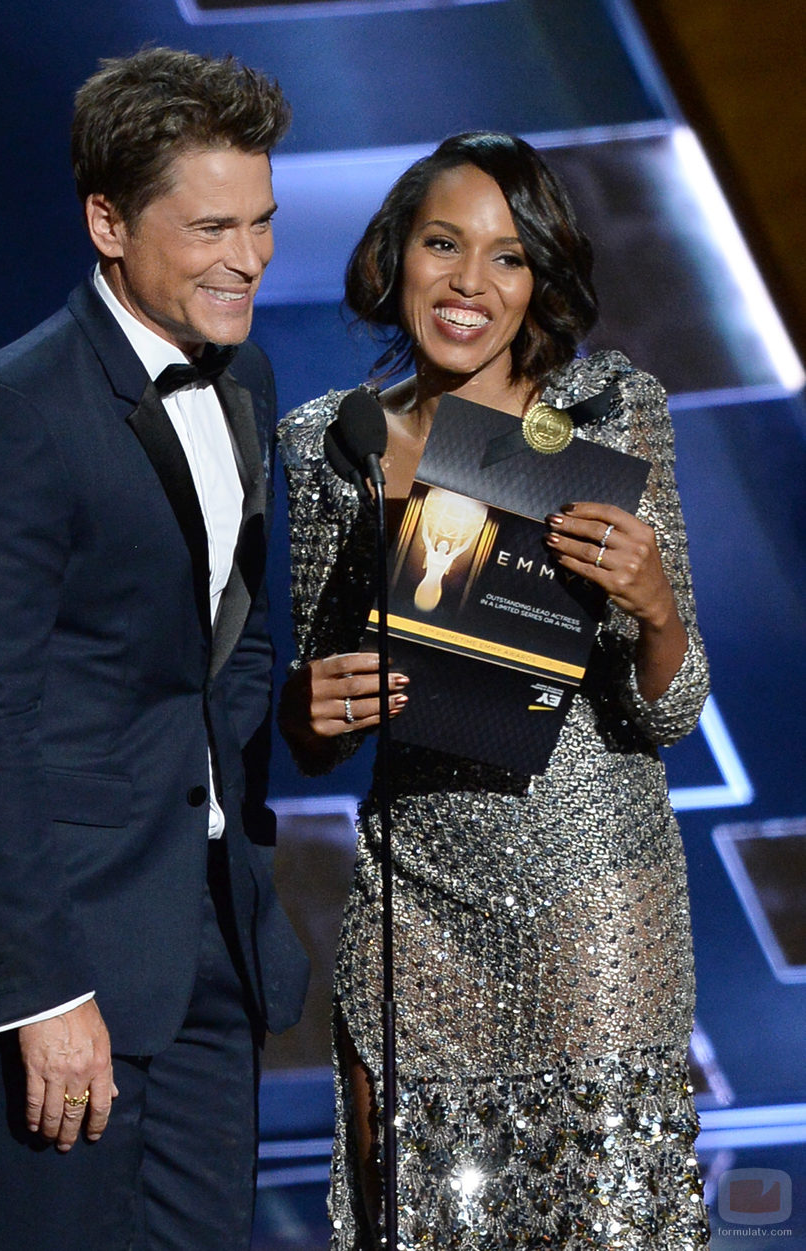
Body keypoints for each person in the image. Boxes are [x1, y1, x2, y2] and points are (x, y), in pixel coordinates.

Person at [0, 46, 308, 1251]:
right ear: (107, 223)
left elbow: (234, 631)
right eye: (212, 225)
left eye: (263, 223)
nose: (249, 258)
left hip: (206, 945)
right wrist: (44, 993)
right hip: (56, 976)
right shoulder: (9, 417)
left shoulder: (246, 378)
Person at [277, 132, 710, 1248]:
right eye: (442, 244)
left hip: (592, 902)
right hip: (413, 905)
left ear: (538, 284)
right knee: (410, 1216)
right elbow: (318, 723)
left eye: (507, 258)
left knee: (601, 1221)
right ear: (393, 256)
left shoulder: (608, 413)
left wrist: (653, 607)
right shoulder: (331, 443)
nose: (470, 284)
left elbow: (666, 705)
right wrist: (305, 706)